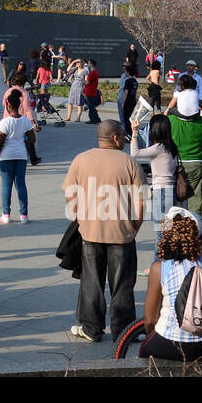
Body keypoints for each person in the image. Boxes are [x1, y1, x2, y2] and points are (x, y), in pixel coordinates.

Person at [63, 121, 144, 342]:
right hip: (122, 235)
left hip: (90, 233)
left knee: (91, 282)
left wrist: (81, 219)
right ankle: (124, 330)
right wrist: (133, 228)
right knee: (123, 285)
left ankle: (91, 329)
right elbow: (141, 202)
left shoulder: (81, 159)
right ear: (116, 138)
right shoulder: (129, 162)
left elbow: (70, 194)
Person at [139, 209, 202, 361]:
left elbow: (150, 320)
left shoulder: (160, 269)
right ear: (198, 237)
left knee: (144, 353)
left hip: (169, 344)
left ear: (166, 237)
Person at [130, 114, 179, 249]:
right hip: (170, 190)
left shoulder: (159, 147)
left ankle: (158, 263)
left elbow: (135, 153)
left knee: (161, 230)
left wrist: (134, 132)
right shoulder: (171, 146)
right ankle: (165, 261)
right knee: (167, 229)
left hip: (162, 192)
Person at [169, 88, 202, 219]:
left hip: (176, 164)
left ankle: (177, 227)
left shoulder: (171, 120)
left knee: (177, 196)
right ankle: (197, 227)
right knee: (196, 198)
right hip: (196, 163)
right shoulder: (201, 121)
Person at [0, 88, 31, 224]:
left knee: (6, 185)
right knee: (21, 184)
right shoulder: (25, 121)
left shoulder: (5, 122)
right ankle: (24, 215)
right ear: (19, 105)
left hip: (6, 156)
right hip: (21, 155)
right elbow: (31, 139)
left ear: (8, 105)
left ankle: (6, 214)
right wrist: (21, 137)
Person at [65, 59, 86, 123]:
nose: (77, 63)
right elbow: (68, 70)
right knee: (70, 102)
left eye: (78, 62)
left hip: (80, 86)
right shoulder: (75, 69)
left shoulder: (85, 70)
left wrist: (83, 81)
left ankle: (78, 117)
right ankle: (68, 117)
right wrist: (73, 62)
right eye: (76, 63)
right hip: (73, 86)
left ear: (82, 63)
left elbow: (86, 81)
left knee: (79, 103)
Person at [81, 59, 102, 124]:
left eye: (89, 63)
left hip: (89, 91)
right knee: (91, 106)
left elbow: (87, 83)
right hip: (92, 91)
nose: (88, 64)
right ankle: (94, 119)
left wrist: (82, 79)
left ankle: (95, 119)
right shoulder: (95, 72)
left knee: (91, 107)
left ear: (91, 64)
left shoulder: (92, 73)